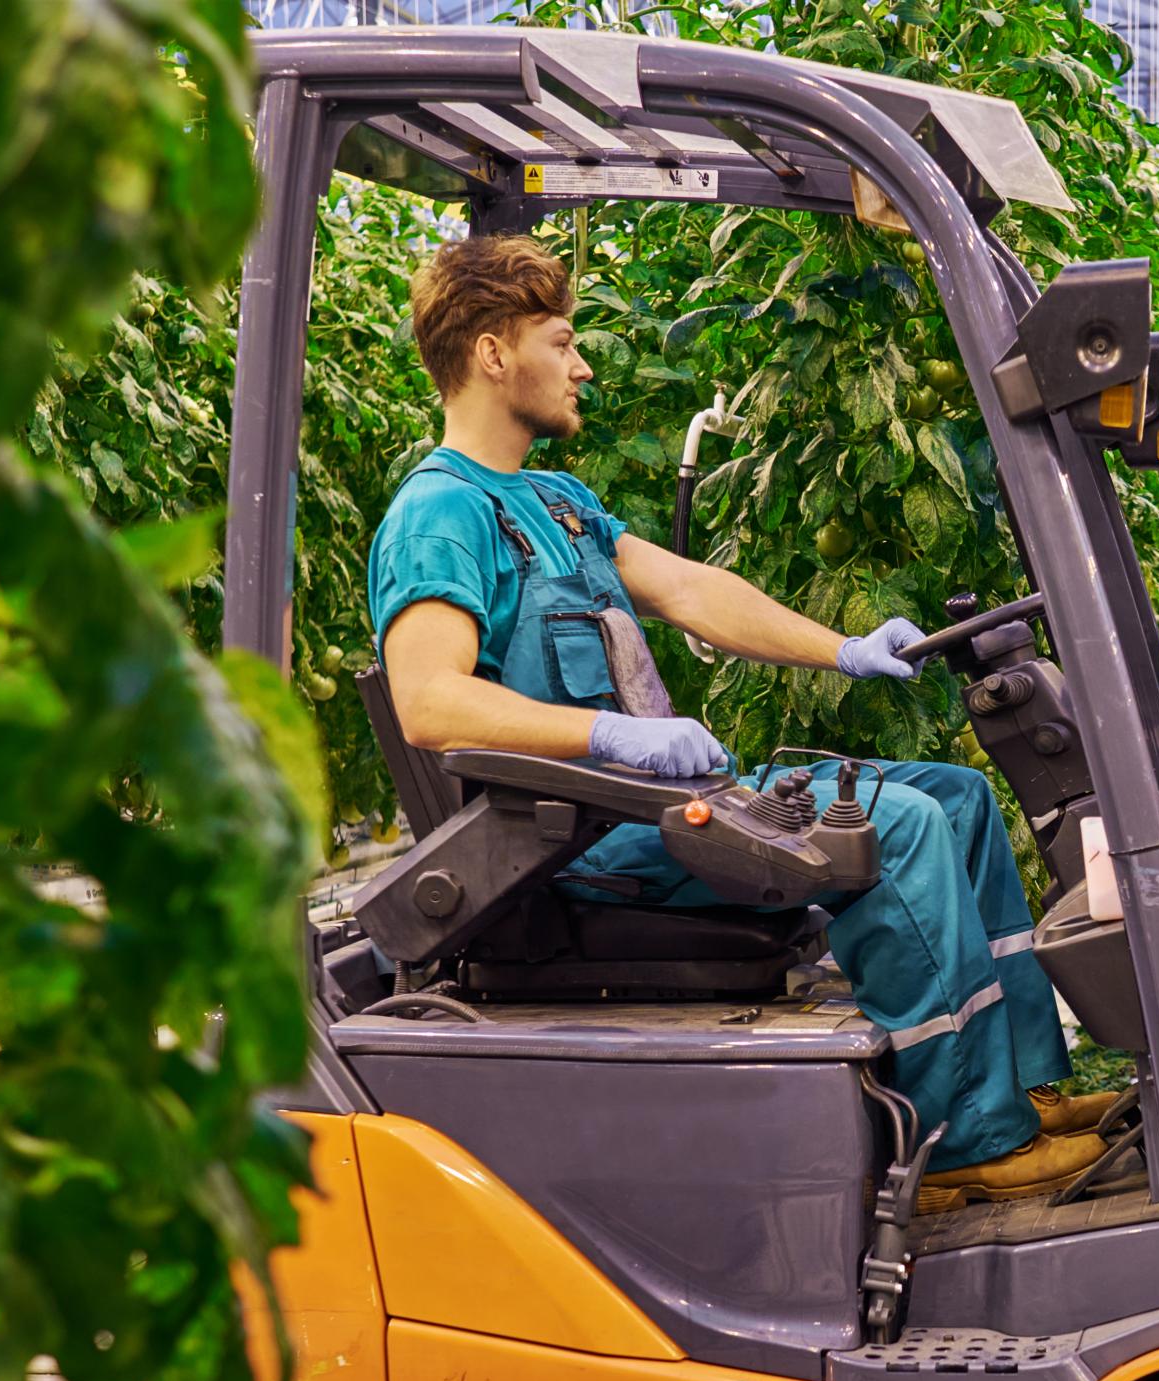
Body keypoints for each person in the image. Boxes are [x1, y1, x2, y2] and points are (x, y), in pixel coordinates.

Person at [366, 234, 1114, 1205]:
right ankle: (960, 1144)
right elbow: (429, 701)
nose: (582, 362)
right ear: (493, 353)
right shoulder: (440, 513)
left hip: (652, 806)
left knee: (959, 797)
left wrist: (843, 646)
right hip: (583, 839)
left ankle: (1017, 1087)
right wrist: (612, 738)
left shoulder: (553, 499)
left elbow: (688, 588)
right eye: (562, 340)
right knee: (894, 828)